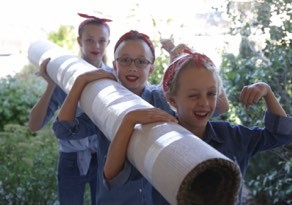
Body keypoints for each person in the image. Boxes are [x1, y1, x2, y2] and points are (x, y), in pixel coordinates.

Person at [53, 30, 179, 204]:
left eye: (141, 61)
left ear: (151, 68)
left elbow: (201, 115)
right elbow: (65, 131)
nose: (133, 67)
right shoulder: (105, 103)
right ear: (114, 65)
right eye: (125, 60)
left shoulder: (159, 99)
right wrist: (79, 83)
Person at [159, 50, 292, 204]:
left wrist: (266, 91)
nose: (204, 103)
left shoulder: (233, 137)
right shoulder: (160, 140)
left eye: (211, 94)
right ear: (172, 100)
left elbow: (281, 134)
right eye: (193, 95)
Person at [28, 13, 112, 205]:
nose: (96, 46)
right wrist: (50, 84)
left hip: (103, 157)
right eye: (89, 40)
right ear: (79, 41)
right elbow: (34, 125)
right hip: (71, 159)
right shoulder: (64, 76)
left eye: (101, 41)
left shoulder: (113, 77)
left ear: (108, 42)